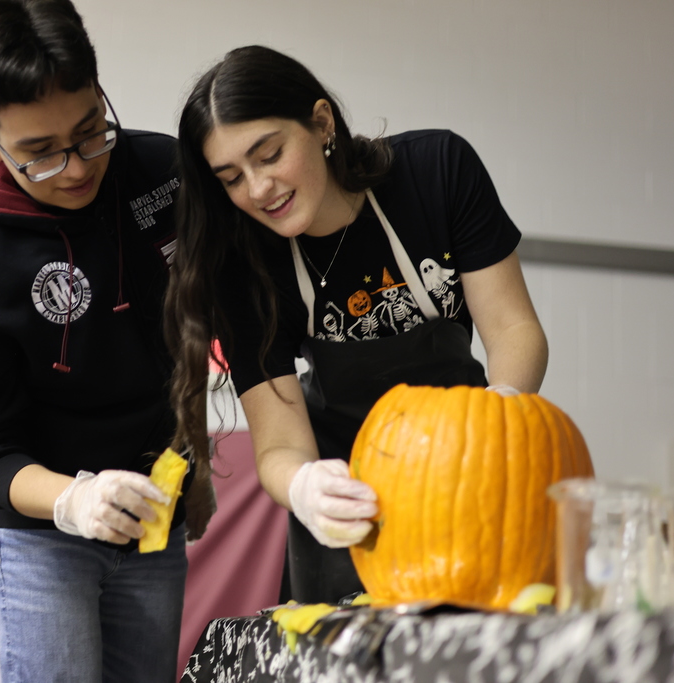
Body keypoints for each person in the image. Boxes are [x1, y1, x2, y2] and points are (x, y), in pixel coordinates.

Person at [165, 45, 548, 604]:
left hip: (470, 474)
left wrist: (499, 425)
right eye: (231, 178)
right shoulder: (244, 262)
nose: (258, 189)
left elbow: (515, 329)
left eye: (269, 155)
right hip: (349, 506)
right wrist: (305, 486)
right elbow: (277, 444)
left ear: (321, 123)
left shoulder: (436, 171)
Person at [0, 1, 215, 680]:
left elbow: (200, 323)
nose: (79, 167)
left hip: (151, 515)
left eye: (90, 132)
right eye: (41, 154)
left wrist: (194, 454)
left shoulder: (163, 174)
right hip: (40, 532)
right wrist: (73, 501)